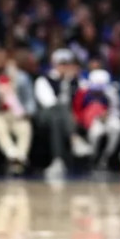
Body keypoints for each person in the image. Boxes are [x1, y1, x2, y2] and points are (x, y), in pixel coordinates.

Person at [0, 49, 36, 173]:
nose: (0, 62)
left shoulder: (21, 77)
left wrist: (28, 112)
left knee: (25, 128)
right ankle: (12, 155)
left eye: (2, 59)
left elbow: (30, 100)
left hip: (17, 113)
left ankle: (19, 159)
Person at [35, 48, 80, 177]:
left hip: (65, 118)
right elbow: (50, 103)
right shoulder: (43, 80)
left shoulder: (74, 81)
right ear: (54, 64)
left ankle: (58, 161)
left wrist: (68, 81)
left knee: (59, 119)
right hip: (45, 115)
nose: (64, 67)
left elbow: (79, 99)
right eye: (62, 64)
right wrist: (65, 84)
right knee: (57, 115)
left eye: (67, 64)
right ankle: (74, 139)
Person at [72, 68, 120, 171]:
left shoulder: (111, 92)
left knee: (118, 127)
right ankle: (93, 157)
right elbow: (77, 110)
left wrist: (108, 114)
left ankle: (106, 157)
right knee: (97, 132)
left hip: (108, 118)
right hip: (91, 121)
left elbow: (117, 110)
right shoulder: (84, 92)